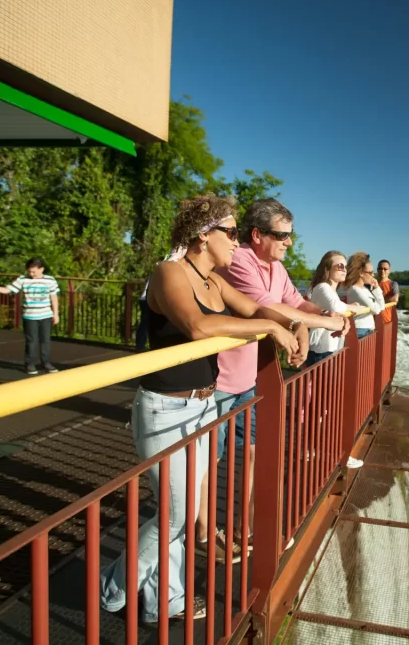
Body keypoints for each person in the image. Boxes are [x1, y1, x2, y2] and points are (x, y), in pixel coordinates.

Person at [99, 194, 302, 623]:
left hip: (205, 405)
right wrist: (268, 327)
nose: (236, 241)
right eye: (229, 233)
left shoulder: (215, 279)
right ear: (201, 236)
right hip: (164, 409)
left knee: (180, 513)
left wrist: (294, 324)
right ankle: (112, 587)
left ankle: (163, 601)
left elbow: (257, 308)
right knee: (178, 514)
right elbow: (198, 326)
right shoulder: (169, 272)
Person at [210, 199, 352, 553]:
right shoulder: (240, 260)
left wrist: (320, 315)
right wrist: (325, 322)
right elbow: (269, 308)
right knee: (208, 464)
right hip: (217, 380)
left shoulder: (276, 268)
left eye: (291, 235)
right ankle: (206, 534)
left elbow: (297, 303)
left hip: (248, 378)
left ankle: (246, 528)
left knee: (255, 453)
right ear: (257, 235)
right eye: (282, 235)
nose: (289, 242)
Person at [0, 258, 61, 375]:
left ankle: (46, 363)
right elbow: (8, 290)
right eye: (30, 272)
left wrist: (56, 314)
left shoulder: (50, 280)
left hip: (45, 315)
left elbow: (54, 297)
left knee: (45, 340)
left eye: (34, 272)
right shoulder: (23, 279)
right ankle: (30, 364)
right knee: (31, 341)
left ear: (41, 269)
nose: (31, 274)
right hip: (30, 316)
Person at [305, 251, 363, 367]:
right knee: (322, 385)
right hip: (320, 350)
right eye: (340, 266)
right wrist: (355, 307)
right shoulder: (322, 286)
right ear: (327, 269)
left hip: (328, 348)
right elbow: (336, 306)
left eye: (345, 267)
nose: (344, 270)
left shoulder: (330, 290)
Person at [341, 252, 385, 339]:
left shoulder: (365, 289)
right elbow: (376, 310)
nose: (373, 275)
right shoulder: (355, 290)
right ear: (361, 273)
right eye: (370, 272)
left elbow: (382, 307)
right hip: (360, 331)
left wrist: (376, 288)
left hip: (367, 330)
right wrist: (376, 305)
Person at [376, 259, 400, 324]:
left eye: (385, 269)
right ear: (377, 270)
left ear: (389, 271)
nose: (382, 271)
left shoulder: (393, 284)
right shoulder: (372, 283)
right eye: (380, 268)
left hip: (387, 320)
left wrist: (378, 301)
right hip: (373, 321)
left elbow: (395, 298)